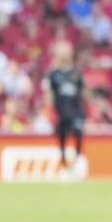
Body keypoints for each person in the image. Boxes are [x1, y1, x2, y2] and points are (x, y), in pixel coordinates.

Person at [44, 41, 84, 173]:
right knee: (62, 137)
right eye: (62, 52)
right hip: (61, 111)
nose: (65, 54)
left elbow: (83, 92)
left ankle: (77, 159)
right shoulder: (53, 74)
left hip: (75, 111)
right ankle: (64, 163)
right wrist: (49, 112)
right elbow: (49, 94)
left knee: (78, 133)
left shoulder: (76, 72)